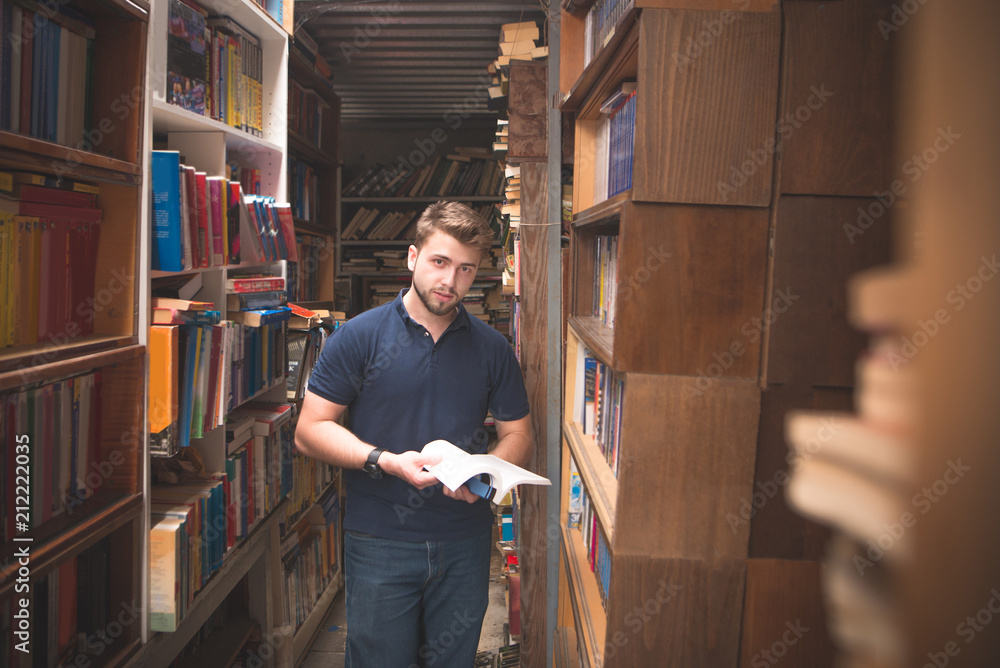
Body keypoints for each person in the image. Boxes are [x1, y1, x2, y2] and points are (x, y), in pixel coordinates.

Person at [295, 201, 532, 667]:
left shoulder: (493, 348)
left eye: (466, 269)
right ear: (411, 258)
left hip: (465, 541)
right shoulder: (359, 337)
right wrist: (385, 460)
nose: (450, 281)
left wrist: (485, 478)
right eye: (439, 262)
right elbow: (309, 430)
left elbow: (518, 434)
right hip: (380, 539)